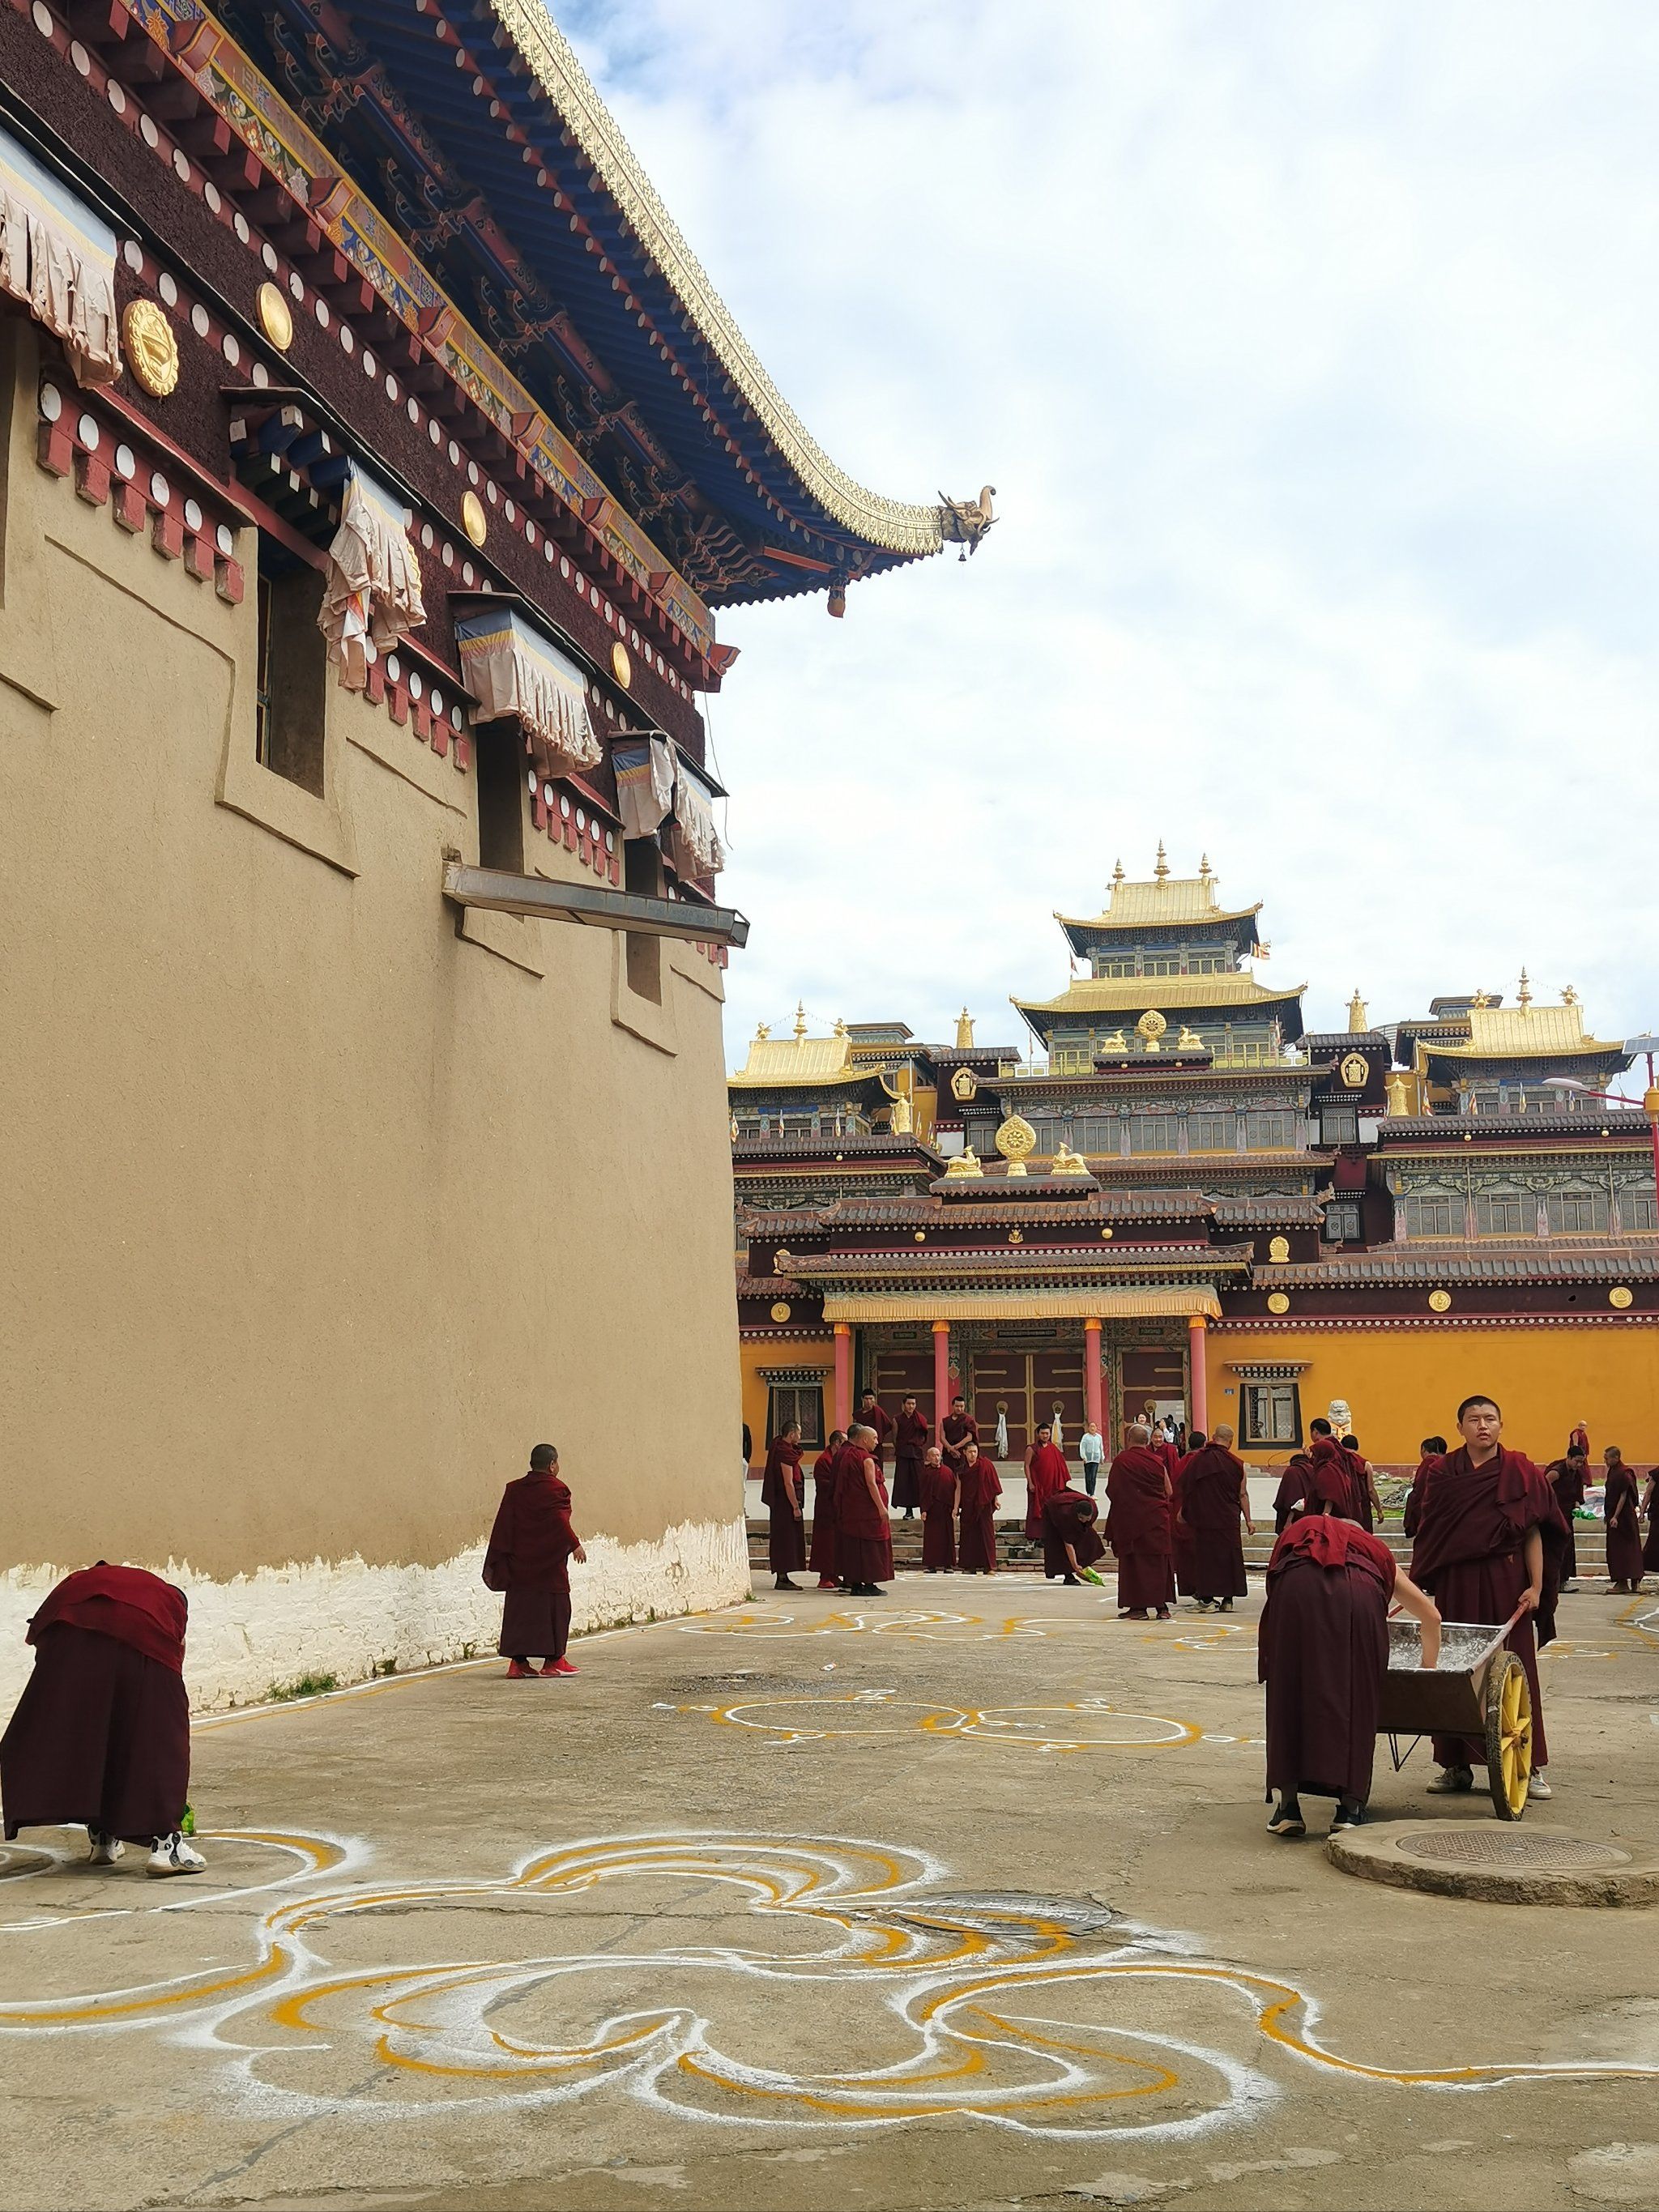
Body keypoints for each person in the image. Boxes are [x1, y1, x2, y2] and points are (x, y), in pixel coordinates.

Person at [1, 1562, 206, 1876]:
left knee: (91, 1729)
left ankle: (103, 1838)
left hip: (63, 1632)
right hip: (134, 1629)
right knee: (162, 1735)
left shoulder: (107, 1582)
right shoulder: (168, 1606)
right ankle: (168, 1846)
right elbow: (173, 1657)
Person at [1409, 1395, 1567, 1799]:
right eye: (1474, 1419)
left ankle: (1528, 1767)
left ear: (1501, 1425)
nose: (1483, 1426)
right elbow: (1433, 1531)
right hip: (1456, 1583)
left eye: (1490, 1419)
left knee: (1515, 1671)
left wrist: (1535, 1586)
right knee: (1455, 1671)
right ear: (1459, 1427)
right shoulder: (1442, 1473)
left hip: (1505, 1580)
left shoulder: (1521, 1472)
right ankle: (1455, 1764)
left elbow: (1533, 1531)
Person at [1259, 1506, 1442, 1838]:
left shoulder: (1301, 1535)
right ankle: (1349, 1809)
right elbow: (1431, 1616)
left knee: (1290, 1691)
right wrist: (1428, 1668)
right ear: (1360, 1534)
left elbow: (1275, 1581)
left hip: (1294, 1588)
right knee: (1356, 1693)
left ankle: (1288, 1809)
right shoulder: (1371, 1549)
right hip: (1358, 1593)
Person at [484, 1443, 586, 1677]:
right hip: (549, 1565)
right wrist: (575, 1544)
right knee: (557, 1609)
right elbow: (559, 1520)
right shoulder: (556, 1489)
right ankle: (553, 1662)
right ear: (552, 1465)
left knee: (520, 1612)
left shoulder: (515, 1489)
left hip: (520, 1564)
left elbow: (505, 1525)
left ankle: (517, 1664)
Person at [1179, 1424, 1253, 1611]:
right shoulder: (1238, 1463)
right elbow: (1242, 1494)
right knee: (1229, 1556)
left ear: (1213, 1437)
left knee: (1206, 1558)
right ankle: (1228, 1600)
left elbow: (1188, 1487)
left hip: (1205, 1517)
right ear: (1231, 1441)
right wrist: (1249, 1520)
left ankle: (1207, 1600)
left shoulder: (1199, 1460)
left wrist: (1183, 1511)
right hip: (1229, 1517)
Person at [1105, 1423, 1174, 1621]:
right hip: (1157, 1520)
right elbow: (1169, 1491)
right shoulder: (1157, 1461)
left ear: (1129, 1440)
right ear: (1147, 1441)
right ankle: (1162, 1608)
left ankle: (1139, 1609)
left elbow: (1112, 1491)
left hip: (1132, 1521)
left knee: (1135, 1564)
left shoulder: (1122, 1461)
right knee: (1159, 1563)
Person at [834, 1425, 893, 1597]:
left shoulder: (848, 1456)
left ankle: (856, 1585)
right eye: (874, 1438)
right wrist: (881, 1508)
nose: (877, 1442)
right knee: (870, 1550)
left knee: (855, 1549)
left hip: (853, 1513)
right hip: (867, 1514)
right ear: (865, 1440)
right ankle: (869, 1583)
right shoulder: (866, 1459)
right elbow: (870, 1484)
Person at [761, 1422, 805, 1592]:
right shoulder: (784, 1452)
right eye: (799, 1434)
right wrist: (795, 1506)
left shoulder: (779, 1445)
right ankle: (782, 1578)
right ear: (792, 1434)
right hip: (784, 1503)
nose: (800, 1438)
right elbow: (788, 1482)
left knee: (786, 1539)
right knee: (785, 1539)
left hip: (782, 1502)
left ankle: (783, 1576)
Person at [1041, 1479, 1108, 1586]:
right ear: (1077, 1514)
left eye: (1087, 1519)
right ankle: (1068, 1575)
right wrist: (1075, 1566)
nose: (1083, 1521)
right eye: (1081, 1518)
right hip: (1053, 1509)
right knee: (1057, 1544)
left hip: (1070, 1505)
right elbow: (1068, 1543)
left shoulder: (1093, 1508)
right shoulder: (1065, 1515)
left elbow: (1089, 1526)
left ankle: (1083, 1565)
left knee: (1089, 1537)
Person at [1543, 1444, 1588, 1588]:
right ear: (1569, 1457)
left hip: (1567, 1515)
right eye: (1577, 1461)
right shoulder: (1557, 1471)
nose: (1579, 1465)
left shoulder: (1576, 1473)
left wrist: (1576, 1505)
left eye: (1582, 1462)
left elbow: (1576, 1492)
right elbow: (1542, 1487)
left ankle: (1563, 1580)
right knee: (1554, 1547)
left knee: (1567, 1548)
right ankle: (1552, 1582)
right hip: (1554, 1515)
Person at [1307, 1418, 1366, 1523]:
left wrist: (1326, 1513)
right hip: (1347, 1498)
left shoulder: (1329, 1459)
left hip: (1332, 1511)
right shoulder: (1338, 1448)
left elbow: (1331, 1488)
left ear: (1315, 1432)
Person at [957, 1438, 1001, 1574]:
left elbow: (992, 1484)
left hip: (984, 1504)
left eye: (975, 1452)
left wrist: (996, 1500)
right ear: (965, 1453)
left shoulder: (986, 1465)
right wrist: (955, 1507)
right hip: (968, 1506)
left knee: (986, 1535)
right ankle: (970, 1566)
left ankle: (989, 1567)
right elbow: (958, 1489)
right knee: (969, 1537)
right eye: (970, 1452)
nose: (973, 1454)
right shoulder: (961, 1470)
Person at [1602, 1446, 1644, 1593]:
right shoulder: (1613, 1472)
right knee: (1617, 1550)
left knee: (1630, 1549)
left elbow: (1623, 1495)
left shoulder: (1624, 1473)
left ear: (1616, 1458)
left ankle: (1634, 1583)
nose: (1605, 1461)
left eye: (1607, 1458)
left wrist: (1615, 1516)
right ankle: (1622, 1583)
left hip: (1624, 1518)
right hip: (1615, 1516)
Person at [1169, 1430, 1204, 1600]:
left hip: (1180, 1510)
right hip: (1198, 1512)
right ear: (1204, 1444)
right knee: (1200, 1552)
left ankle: (1189, 1587)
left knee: (1186, 1553)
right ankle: (1202, 1587)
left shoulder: (1182, 1462)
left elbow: (1174, 1486)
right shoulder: (1202, 1461)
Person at [808, 1429, 845, 1589]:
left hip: (836, 1507)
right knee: (826, 1542)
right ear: (836, 1443)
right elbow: (825, 1484)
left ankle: (834, 1575)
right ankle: (824, 1577)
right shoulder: (824, 1460)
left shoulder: (836, 1458)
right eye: (843, 1443)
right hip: (826, 1506)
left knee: (836, 1542)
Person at [1023, 1422, 1069, 1541]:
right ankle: (1034, 1535)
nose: (1045, 1436)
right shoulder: (1031, 1449)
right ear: (1038, 1434)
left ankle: (1048, 1534)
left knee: (1050, 1509)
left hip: (1051, 1485)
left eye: (1047, 1434)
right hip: (1038, 1485)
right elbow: (1027, 1466)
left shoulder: (1053, 1448)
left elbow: (1060, 1465)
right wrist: (1030, 1482)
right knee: (1035, 1509)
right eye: (1043, 1433)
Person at [919, 1445, 958, 1572]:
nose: (936, 1458)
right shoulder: (925, 1473)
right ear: (928, 1458)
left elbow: (954, 1490)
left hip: (946, 1509)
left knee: (947, 1537)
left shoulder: (948, 1472)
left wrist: (955, 1508)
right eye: (933, 1456)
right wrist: (923, 1510)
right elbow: (923, 1492)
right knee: (932, 1538)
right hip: (932, 1510)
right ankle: (931, 1565)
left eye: (938, 1455)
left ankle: (948, 1565)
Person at [1401, 1437, 1448, 1540]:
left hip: (1427, 1508)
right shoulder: (1445, 1462)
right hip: (1442, 1509)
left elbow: (1420, 1487)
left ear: (1423, 1450)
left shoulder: (1428, 1463)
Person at [892, 1394, 928, 1519]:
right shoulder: (897, 1419)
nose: (911, 1406)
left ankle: (924, 1509)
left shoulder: (920, 1418)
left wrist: (917, 1445)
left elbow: (924, 1435)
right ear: (904, 1405)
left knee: (920, 1481)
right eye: (909, 1404)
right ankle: (909, 1512)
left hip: (916, 1453)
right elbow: (895, 1438)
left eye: (913, 1404)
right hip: (903, 1453)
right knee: (905, 1483)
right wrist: (902, 1448)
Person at [1341, 1434, 1385, 1532]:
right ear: (1357, 1447)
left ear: (1342, 1446)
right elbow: (1370, 1490)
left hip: (1344, 1506)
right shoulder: (1365, 1464)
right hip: (1362, 1507)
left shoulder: (1338, 1463)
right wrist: (1379, 1511)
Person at [1272, 1446, 1316, 1534]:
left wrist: (1287, 1520)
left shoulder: (1291, 1471)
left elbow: (1286, 1498)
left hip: (1293, 1519)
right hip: (1311, 1515)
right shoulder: (1314, 1470)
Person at [940, 1394, 979, 1477]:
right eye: (957, 1406)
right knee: (949, 1476)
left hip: (962, 1452)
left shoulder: (968, 1420)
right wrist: (950, 1448)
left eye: (962, 1406)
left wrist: (955, 1447)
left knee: (963, 1476)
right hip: (948, 1453)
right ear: (953, 1406)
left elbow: (969, 1437)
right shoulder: (945, 1421)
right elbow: (942, 1438)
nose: (959, 1408)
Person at [858, 1390, 895, 1471]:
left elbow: (887, 1425)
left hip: (876, 1446)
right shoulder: (858, 1414)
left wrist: (879, 1437)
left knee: (877, 1467)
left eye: (871, 1399)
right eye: (866, 1399)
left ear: (874, 1399)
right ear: (862, 1399)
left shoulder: (878, 1411)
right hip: (862, 1445)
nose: (869, 1401)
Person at [1078, 1418, 1106, 1498]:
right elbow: (1082, 1447)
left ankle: (1093, 1493)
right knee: (1088, 1477)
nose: (1093, 1428)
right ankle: (1088, 1493)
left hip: (1096, 1459)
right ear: (1088, 1428)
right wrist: (1083, 1457)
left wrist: (1102, 1458)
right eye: (1091, 1427)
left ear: (1096, 1428)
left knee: (1093, 1477)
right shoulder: (1085, 1437)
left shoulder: (1099, 1437)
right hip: (1088, 1459)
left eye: (1094, 1427)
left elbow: (1101, 1448)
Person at [1643, 1464, 1659, 1579]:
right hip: (1658, 1513)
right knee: (1654, 1542)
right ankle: (1642, 1567)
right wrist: (1642, 1511)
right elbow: (1648, 1493)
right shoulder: (1657, 1474)